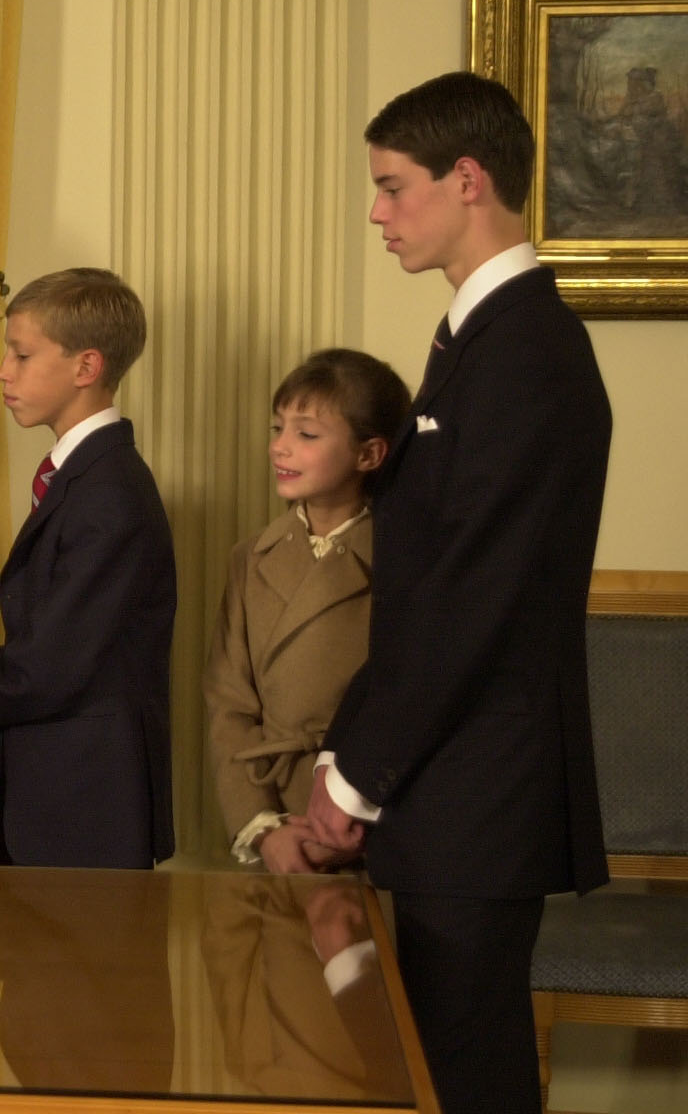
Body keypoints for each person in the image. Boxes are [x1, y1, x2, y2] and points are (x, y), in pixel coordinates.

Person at [306, 71, 611, 1114]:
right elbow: (426, 587)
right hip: (449, 787)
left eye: (392, 187)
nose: (378, 212)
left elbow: (468, 603)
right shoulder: (480, 341)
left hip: (476, 794)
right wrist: (345, 750)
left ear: (466, 180)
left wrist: (354, 778)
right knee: (436, 1071)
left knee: (465, 1078)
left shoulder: (523, 352)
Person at [0, 269, 175, 869]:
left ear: (86, 367)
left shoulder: (111, 495)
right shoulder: (75, 481)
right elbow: (29, 652)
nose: (3, 370)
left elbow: (40, 670)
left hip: (91, 804)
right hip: (44, 793)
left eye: (21, 354)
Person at [204, 348, 409, 873]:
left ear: (370, 454)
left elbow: (406, 701)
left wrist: (348, 813)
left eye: (307, 434)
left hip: (361, 818)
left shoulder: (405, 560)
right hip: (274, 812)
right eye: (278, 428)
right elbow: (229, 704)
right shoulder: (251, 558)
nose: (281, 448)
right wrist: (263, 827)